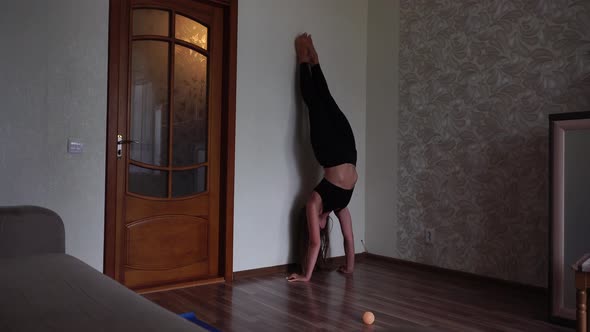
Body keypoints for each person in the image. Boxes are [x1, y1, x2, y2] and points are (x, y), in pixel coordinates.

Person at [287, 33, 358, 283]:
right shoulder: (339, 206)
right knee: (323, 100)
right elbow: (349, 239)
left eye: (310, 228)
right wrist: (349, 268)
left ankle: (306, 60)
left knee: (316, 102)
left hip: (338, 151)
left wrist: (306, 276)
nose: (314, 228)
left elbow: (314, 245)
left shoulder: (314, 204)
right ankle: (312, 61)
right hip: (345, 149)